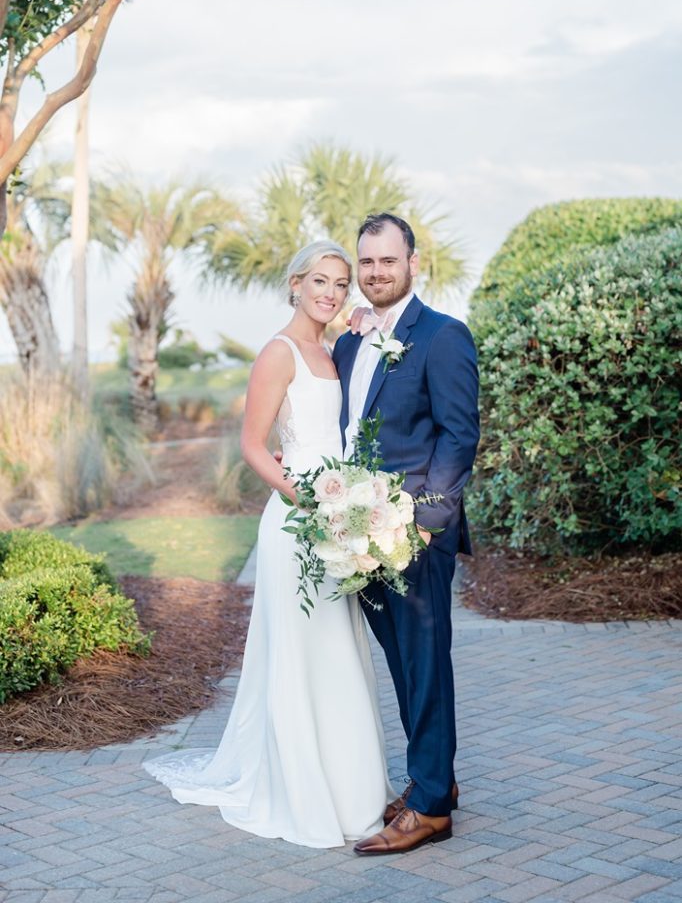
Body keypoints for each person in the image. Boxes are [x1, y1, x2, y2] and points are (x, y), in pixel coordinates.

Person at [143, 240, 392, 849]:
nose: (331, 293)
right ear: (295, 283)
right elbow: (254, 445)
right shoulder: (278, 354)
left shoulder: (336, 351)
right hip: (299, 521)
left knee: (340, 652)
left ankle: (353, 789)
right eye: (321, 282)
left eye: (340, 284)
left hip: (344, 522)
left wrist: (349, 507)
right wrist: (305, 498)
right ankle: (307, 792)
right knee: (306, 651)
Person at [333, 213, 480, 855]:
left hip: (416, 538)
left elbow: (458, 436)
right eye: (366, 263)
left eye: (387, 262)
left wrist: (425, 523)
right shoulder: (350, 343)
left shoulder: (445, 336)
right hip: (359, 536)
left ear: (412, 263)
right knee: (402, 665)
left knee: (425, 665)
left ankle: (430, 811)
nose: (374, 273)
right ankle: (433, 785)